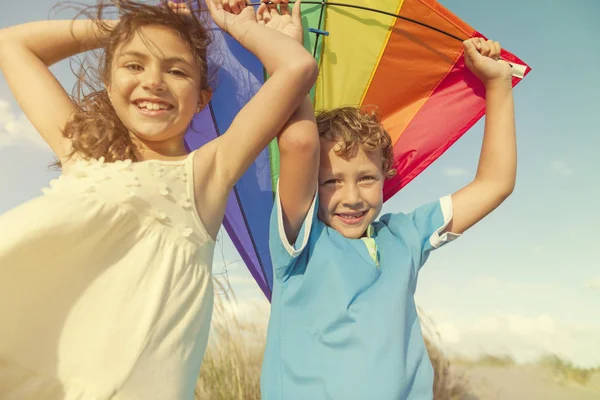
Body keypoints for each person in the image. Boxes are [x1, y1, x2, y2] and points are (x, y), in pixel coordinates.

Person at [0, 0, 317, 398]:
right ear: (110, 83)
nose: (154, 80)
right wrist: (130, 28)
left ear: (202, 99)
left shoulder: (207, 173)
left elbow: (297, 69)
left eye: (177, 70)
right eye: (134, 64)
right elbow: (11, 44)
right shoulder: (79, 151)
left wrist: (236, 25)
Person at [261, 8, 517, 399]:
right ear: (311, 186)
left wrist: (498, 84)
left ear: (386, 177)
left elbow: (495, 184)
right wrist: (288, 53)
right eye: (331, 182)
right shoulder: (298, 242)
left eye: (366, 178)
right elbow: (298, 142)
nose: (351, 197)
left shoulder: (405, 236)